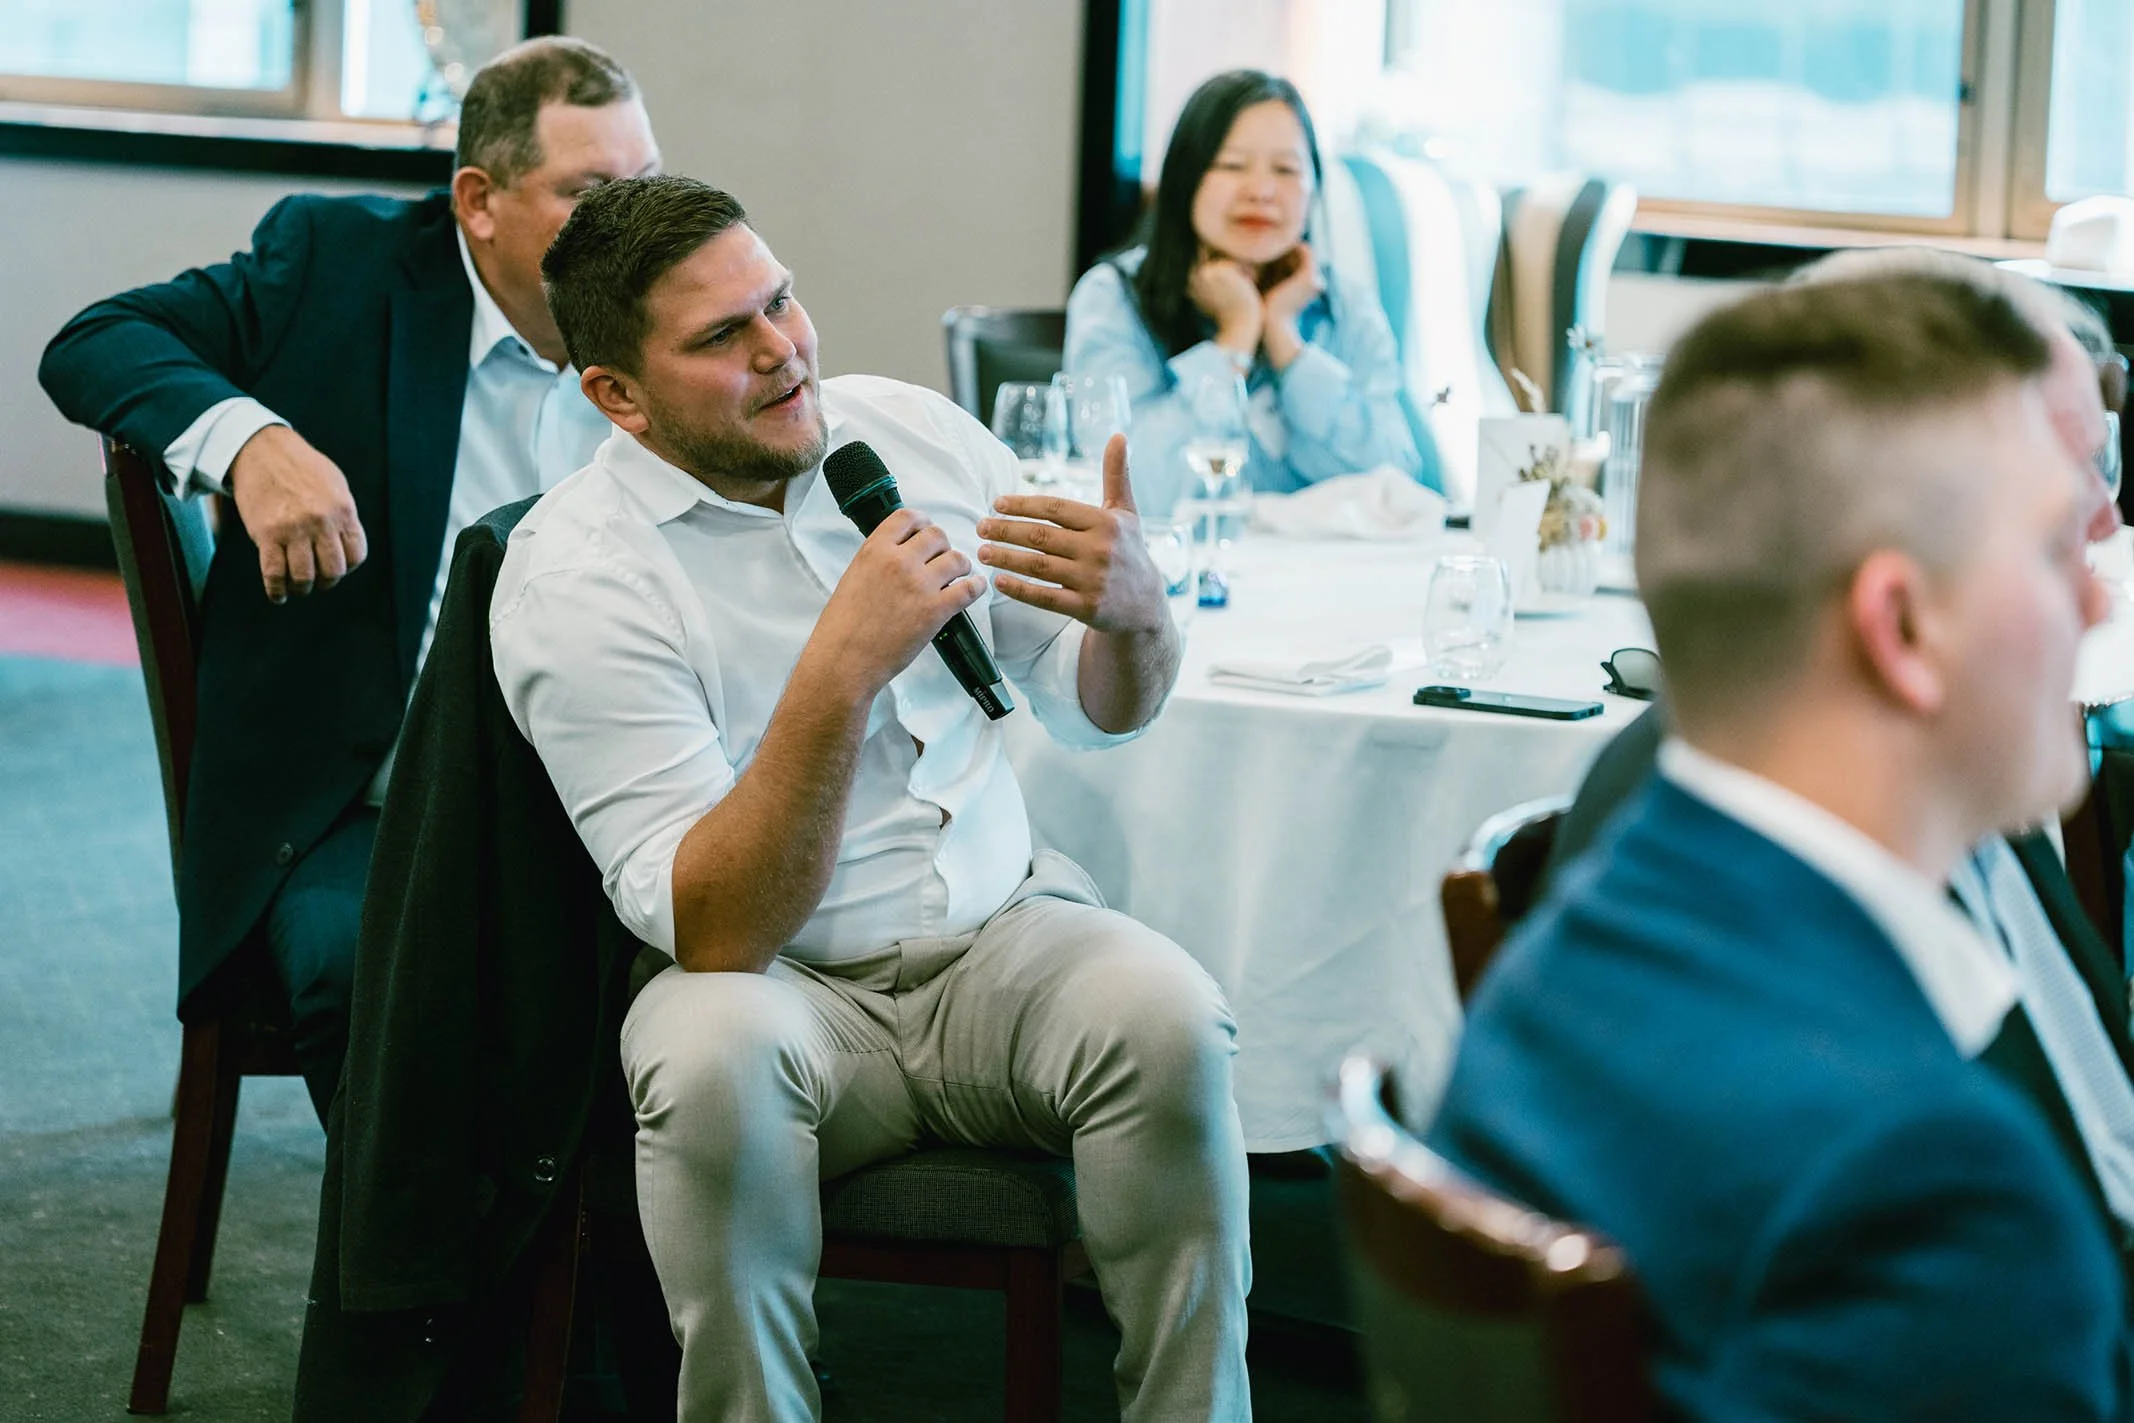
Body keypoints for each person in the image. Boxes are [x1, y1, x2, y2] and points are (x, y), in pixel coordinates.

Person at [495, 175, 1251, 1421]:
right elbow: (716, 929)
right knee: (707, 1054)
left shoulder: (914, 438)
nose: (782, 350)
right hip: (783, 992)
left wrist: (1139, 617)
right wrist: (838, 671)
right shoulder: (574, 580)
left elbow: (1084, 702)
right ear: (616, 396)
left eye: (778, 300)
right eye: (721, 337)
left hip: (1005, 938)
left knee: (1170, 1011)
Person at [1428, 273, 2127, 1418]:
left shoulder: (1585, 945)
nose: (2095, 607)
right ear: (1900, 626)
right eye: (2055, 549)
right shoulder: (1937, 1186)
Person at [37, 37, 659, 1119]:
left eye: (644, 187)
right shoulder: (341, 264)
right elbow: (97, 339)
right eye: (589, 192)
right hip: (366, 801)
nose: (629, 226)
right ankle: (417, 1286)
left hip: (614, 784)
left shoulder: (669, 308)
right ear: (478, 201)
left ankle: (588, 1266)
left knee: (726, 970)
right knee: (378, 974)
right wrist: (251, 440)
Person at [1062, 68, 1427, 517]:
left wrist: (1287, 344)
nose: (1261, 191)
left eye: (1286, 169)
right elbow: (1132, 496)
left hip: (1322, 578)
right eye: (1232, 166)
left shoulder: (1345, 304)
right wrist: (1233, 339)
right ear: (1185, 180)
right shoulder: (1113, 297)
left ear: (1314, 189)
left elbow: (1393, 487)